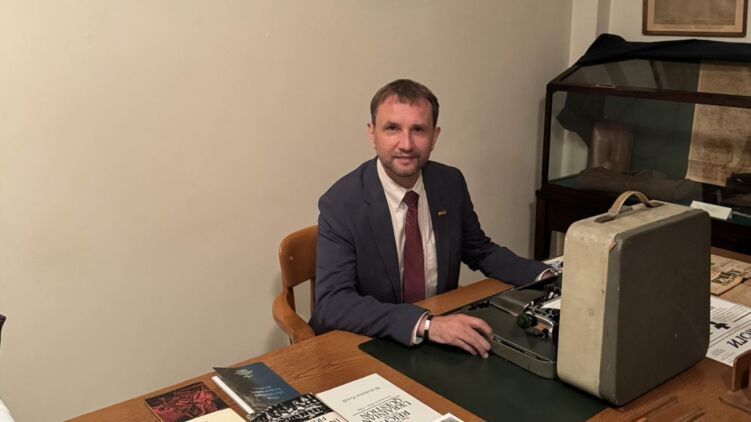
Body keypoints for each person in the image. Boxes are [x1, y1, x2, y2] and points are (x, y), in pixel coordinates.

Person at [309, 79, 551, 358]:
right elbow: (333, 303)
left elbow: (481, 251)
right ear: (372, 134)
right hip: (369, 343)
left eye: (418, 130)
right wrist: (425, 324)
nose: (406, 144)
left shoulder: (449, 182)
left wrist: (546, 276)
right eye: (392, 128)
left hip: (439, 337)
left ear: (434, 137)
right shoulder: (341, 203)